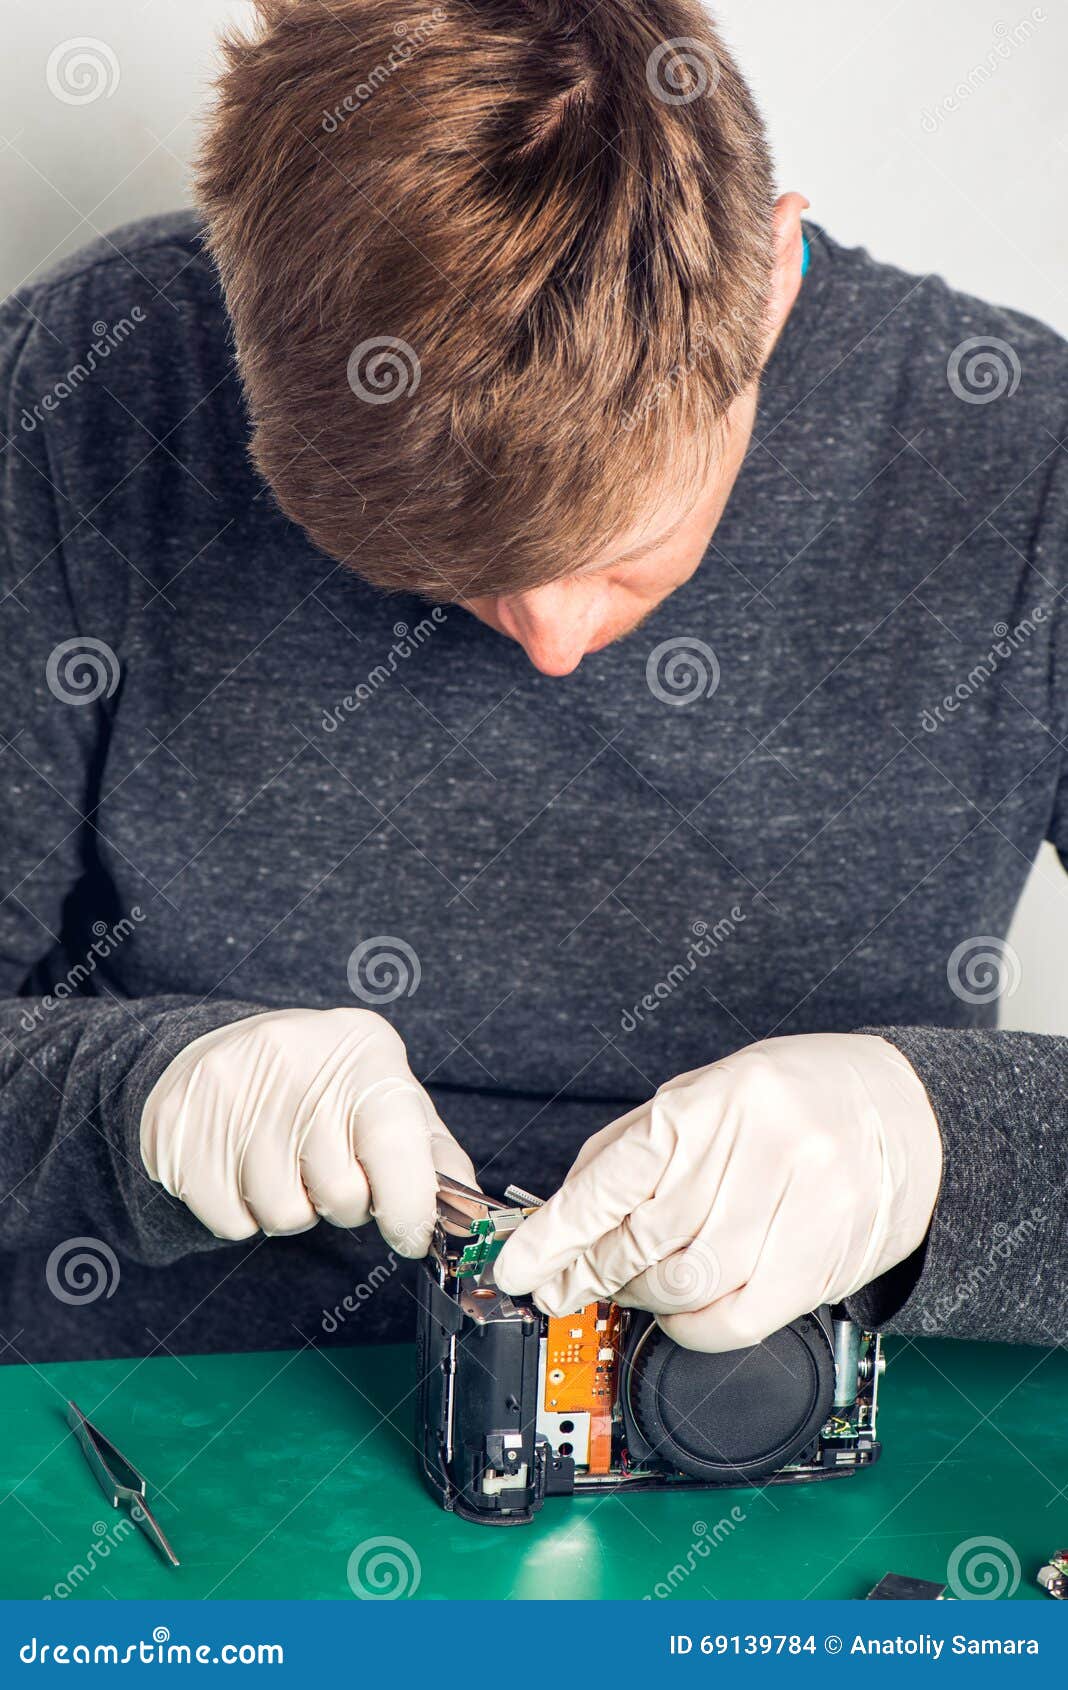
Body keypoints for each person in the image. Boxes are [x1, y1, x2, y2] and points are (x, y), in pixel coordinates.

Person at [1, 0, 1063, 1366]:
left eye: (622, 552)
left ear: (775, 278)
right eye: (441, 574)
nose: (553, 641)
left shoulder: (1021, 457)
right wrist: (136, 1101)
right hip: (174, 1452)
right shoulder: (90, 391)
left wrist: (940, 1146)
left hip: (811, 1474)